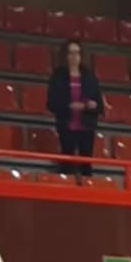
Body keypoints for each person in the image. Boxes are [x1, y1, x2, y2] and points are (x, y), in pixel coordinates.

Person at [45, 40, 102, 177]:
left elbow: (99, 103)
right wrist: (68, 106)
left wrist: (91, 105)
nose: (74, 56)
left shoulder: (89, 76)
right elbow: (51, 103)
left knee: (86, 163)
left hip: (86, 125)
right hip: (66, 124)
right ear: (65, 55)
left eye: (77, 53)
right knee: (67, 162)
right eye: (70, 53)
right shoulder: (58, 76)